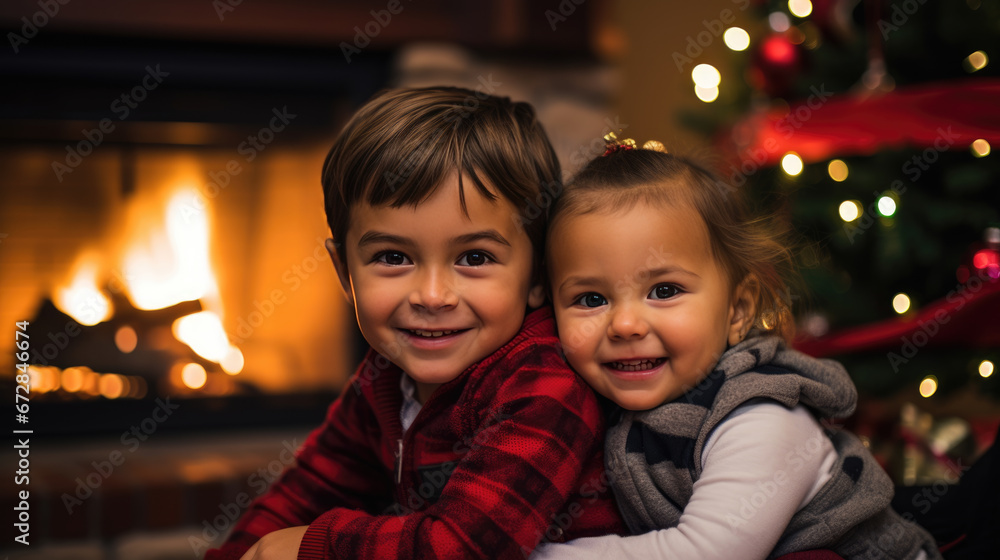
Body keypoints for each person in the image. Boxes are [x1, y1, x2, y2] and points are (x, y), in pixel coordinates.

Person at [205, 87, 625, 560]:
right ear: (345, 274)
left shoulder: (545, 384)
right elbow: (308, 487)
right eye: (393, 257)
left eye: (473, 257)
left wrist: (314, 546)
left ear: (537, 276)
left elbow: (466, 548)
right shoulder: (382, 376)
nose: (431, 296)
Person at [533, 139, 943, 560]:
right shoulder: (588, 401)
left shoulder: (759, 416)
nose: (624, 325)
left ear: (737, 310)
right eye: (591, 299)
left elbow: (705, 553)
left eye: (664, 290)